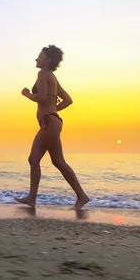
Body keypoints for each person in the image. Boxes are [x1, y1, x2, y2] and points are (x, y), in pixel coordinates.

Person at [15, 45, 90, 210]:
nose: (36, 59)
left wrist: (27, 94)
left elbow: (40, 97)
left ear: (48, 60)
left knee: (58, 161)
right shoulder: (52, 77)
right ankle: (32, 198)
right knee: (34, 160)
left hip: (49, 122)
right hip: (51, 122)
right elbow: (68, 100)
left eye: (40, 56)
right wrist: (53, 110)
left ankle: (81, 196)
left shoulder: (42, 74)